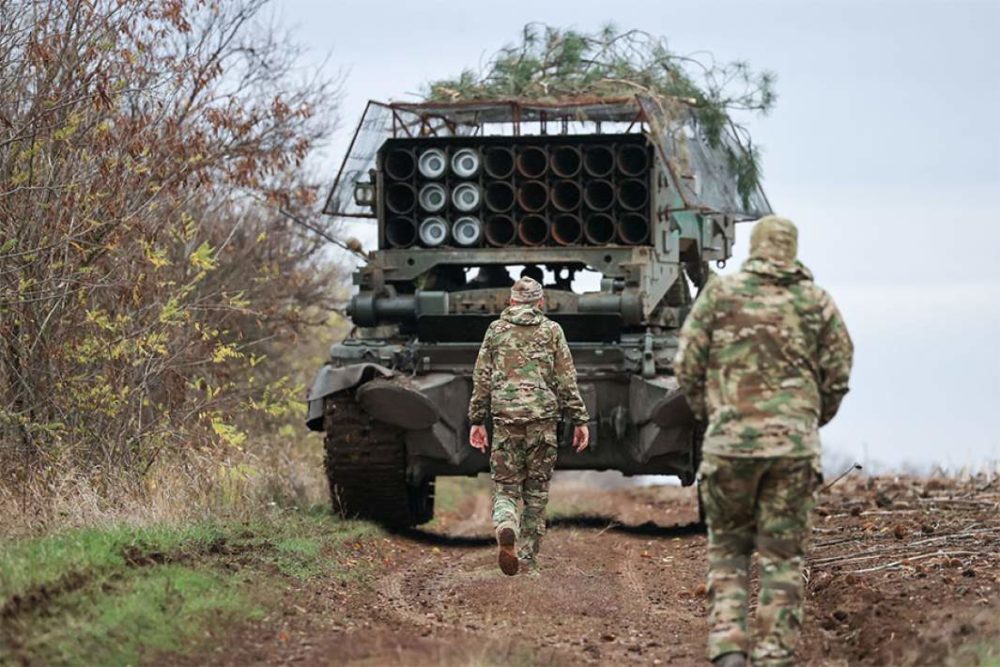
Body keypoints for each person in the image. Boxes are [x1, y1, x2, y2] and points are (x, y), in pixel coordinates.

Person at [674, 216, 854, 667]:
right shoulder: (816, 302)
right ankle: (774, 654)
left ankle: (729, 646)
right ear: (792, 249)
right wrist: (809, 419)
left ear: (754, 247)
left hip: (729, 445)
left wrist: (714, 415)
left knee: (728, 549)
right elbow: (838, 372)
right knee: (782, 556)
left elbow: (687, 365)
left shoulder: (720, 295)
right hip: (793, 450)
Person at [468, 276, 590, 576]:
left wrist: (476, 420)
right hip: (542, 422)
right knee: (536, 493)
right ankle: (528, 561)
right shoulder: (552, 330)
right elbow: (566, 379)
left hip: (506, 421)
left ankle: (506, 523)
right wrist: (579, 419)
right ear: (540, 303)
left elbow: (481, 378)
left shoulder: (495, 330)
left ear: (511, 301)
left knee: (505, 487)